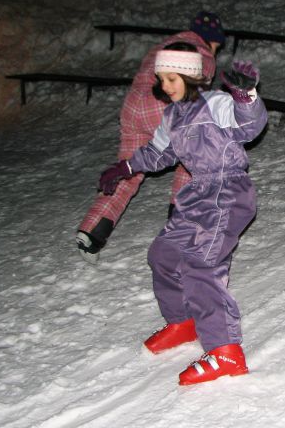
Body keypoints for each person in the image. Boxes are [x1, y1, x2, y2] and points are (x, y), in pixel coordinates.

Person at [97, 43, 267, 385]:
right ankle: (184, 321)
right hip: (197, 193)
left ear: (191, 76)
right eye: (161, 78)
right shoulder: (172, 116)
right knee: (164, 254)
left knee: (201, 265)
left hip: (227, 191)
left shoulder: (216, 104)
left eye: (171, 77)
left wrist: (246, 95)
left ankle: (226, 351)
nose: (165, 85)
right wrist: (126, 166)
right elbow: (159, 154)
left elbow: (249, 126)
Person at [76, 11, 227, 264]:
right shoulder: (199, 53)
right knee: (189, 160)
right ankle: (181, 226)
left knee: (128, 170)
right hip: (164, 107)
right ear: (213, 40)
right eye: (216, 45)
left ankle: (91, 231)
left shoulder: (162, 47)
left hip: (132, 109)